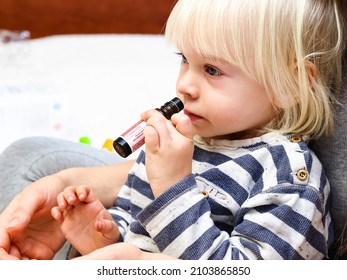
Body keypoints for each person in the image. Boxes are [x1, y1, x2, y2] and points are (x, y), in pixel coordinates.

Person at [0, 0, 345, 260]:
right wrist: (103, 237)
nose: (185, 86)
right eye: (184, 59)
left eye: (211, 70)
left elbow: (238, 269)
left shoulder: (288, 180)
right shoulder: (187, 143)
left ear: (290, 85)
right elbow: (139, 227)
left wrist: (172, 188)